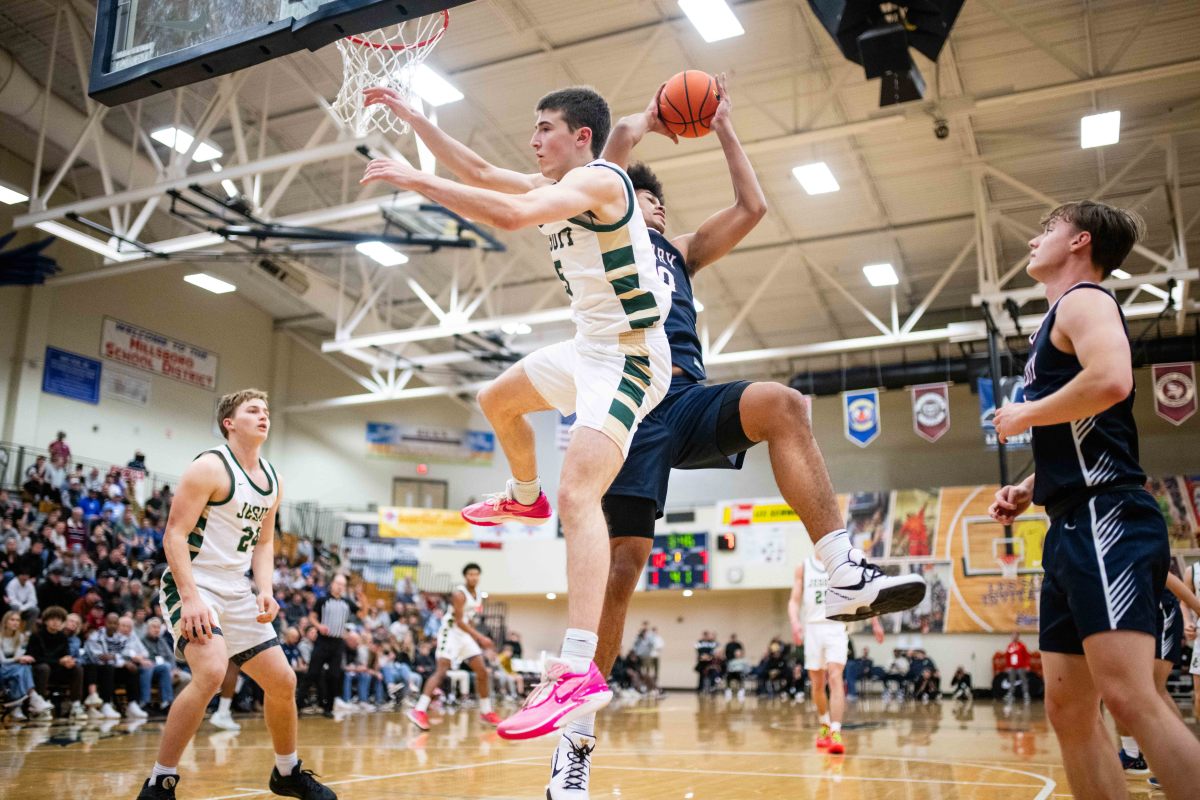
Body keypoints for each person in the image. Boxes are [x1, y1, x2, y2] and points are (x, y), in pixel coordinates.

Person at [530, 76, 928, 797]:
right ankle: (574, 745)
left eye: (655, 204)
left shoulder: (678, 253)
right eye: (641, 200)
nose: (649, 209)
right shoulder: (596, 221)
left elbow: (753, 207)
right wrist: (645, 121)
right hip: (624, 408)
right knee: (620, 575)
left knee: (782, 403)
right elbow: (608, 160)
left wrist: (723, 126)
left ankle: (841, 570)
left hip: (681, 400)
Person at [363, 83, 675, 746]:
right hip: (589, 348)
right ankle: (522, 496)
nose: (534, 141)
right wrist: (417, 119)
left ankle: (577, 670)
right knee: (495, 399)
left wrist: (416, 178)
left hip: (632, 357)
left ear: (581, 137)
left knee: (580, 491)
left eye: (545, 129)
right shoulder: (554, 182)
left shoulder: (598, 179)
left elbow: (507, 215)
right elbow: (478, 172)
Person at [988, 201, 1200, 799]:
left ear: (1080, 241)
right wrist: (1030, 487)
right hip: (1069, 520)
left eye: (1047, 230)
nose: (1034, 240)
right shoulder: (1055, 318)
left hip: (1106, 513)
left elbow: (1111, 380)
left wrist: (1024, 412)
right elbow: (1082, 426)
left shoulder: (1086, 300)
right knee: (1068, 709)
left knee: (1133, 699)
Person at [136, 390, 334, 800]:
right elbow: (173, 534)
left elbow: (263, 544)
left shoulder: (272, 478)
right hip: (194, 581)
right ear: (230, 422)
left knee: (282, 680)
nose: (264, 416)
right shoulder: (209, 466)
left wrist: (265, 589)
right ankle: (160, 781)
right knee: (209, 672)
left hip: (236, 588)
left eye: (266, 410)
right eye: (253, 410)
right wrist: (190, 598)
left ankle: (287, 772)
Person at [790, 555, 884, 754]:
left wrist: (875, 622)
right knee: (817, 685)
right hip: (813, 628)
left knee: (835, 677)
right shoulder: (804, 567)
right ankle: (824, 724)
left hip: (836, 627)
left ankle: (836, 731)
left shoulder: (843, 564)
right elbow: (794, 601)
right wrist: (795, 623)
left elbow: (864, 593)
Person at [407, 563, 500, 730]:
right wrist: (480, 637)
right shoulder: (459, 594)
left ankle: (486, 711)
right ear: (465, 577)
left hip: (464, 636)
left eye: (476, 574)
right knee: (441, 671)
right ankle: (419, 710)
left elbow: (468, 619)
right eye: (470, 574)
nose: (473, 577)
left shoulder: (478, 594)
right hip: (450, 634)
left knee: (482, 672)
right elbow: (458, 621)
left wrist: (474, 636)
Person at [303, 573, 362, 718]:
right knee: (312, 673)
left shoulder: (347, 602)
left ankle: (328, 708)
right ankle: (298, 705)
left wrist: (360, 596)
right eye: (338, 583)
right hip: (322, 641)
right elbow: (312, 616)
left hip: (338, 643)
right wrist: (319, 626)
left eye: (343, 585)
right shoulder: (323, 600)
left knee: (334, 676)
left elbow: (361, 612)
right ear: (332, 584)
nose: (340, 587)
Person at [27, 606, 86, 719]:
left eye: (59, 620)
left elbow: (65, 654)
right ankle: (40, 705)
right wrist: (59, 661)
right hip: (39, 671)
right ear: (46, 621)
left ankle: (76, 705)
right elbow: (34, 657)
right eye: (52, 619)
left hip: (57, 670)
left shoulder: (62, 637)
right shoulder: (36, 635)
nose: (56, 622)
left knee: (77, 668)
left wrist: (68, 661)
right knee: (44, 668)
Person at [0, 610, 54, 720]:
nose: (15, 622)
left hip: (13, 669)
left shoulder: (20, 637)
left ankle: (16, 708)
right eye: (12, 620)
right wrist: (18, 659)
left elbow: (20, 657)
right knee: (21, 668)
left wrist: (22, 659)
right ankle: (33, 698)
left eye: (18, 620)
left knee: (24, 667)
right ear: (5, 622)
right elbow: (2, 660)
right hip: (1, 668)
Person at [1003, 632, 1031, 704]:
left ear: (1018, 636)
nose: (1014, 637)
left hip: (1020, 666)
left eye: (1016, 635)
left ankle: (1026, 694)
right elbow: (1007, 657)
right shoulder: (1010, 646)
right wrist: (1007, 666)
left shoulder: (1022, 645)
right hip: (1012, 667)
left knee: (1023, 680)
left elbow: (1026, 656)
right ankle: (1011, 694)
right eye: (1013, 635)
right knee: (1011, 681)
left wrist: (1027, 665)